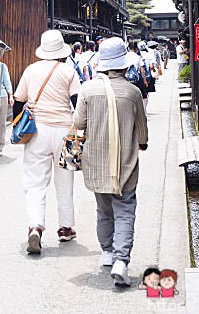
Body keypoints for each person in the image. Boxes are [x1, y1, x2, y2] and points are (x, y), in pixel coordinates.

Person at [73, 37, 148, 286]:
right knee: (125, 210)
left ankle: (107, 253)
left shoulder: (87, 89)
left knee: (104, 209)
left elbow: (78, 124)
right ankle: (121, 260)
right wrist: (142, 143)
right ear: (124, 66)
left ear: (101, 64)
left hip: (96, 162)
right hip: (125, 162)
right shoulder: (133, 92)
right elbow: (142, 129)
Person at [13, 30, 81, 254]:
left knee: (35, 183)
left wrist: (17, 124)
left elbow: (18, 100)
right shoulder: (69, 71)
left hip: (37, 131)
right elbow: (77, 103)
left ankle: (35, 227)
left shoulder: (31, 70)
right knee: (65, 181)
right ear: (62, 50)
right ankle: (65, 228)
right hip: (65, 131)